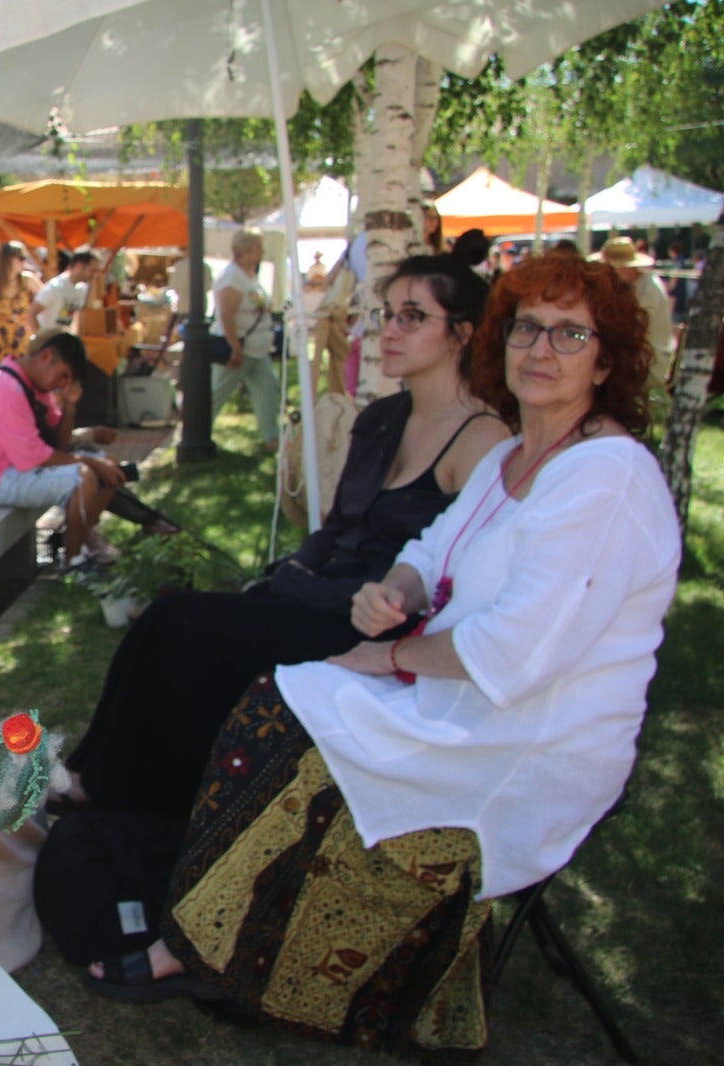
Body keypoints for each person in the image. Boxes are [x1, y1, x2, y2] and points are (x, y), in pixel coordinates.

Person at [85, 251, 680, 1059]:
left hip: (530, 739)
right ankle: (210, 942)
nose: (541, 350)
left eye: (570, 334)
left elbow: (515, 650)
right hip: (464, 697)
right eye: (528, 329)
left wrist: (388, 659)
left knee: (283, 714)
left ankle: (214, 951)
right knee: (274, 703)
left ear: (607, 359)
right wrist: (390, 592)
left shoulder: (605, 475)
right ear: (500, 342)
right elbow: (432, 548)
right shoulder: (517, 457)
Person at [64, 254, 509, 817]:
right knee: (166, 623)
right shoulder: (381, 418)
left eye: (413, 317)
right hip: (316, 597)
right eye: (387, 314)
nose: (389, 330)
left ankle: (114, 796)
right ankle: (101, 783)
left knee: (183, 630)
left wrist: (306, 587)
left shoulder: (480, 438)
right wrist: (294, 573)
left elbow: (456, 572)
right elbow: (339, 527)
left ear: (461, 335)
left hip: (370, 629)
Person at [0, 329, 127, 565]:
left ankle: (81, 541)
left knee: (109, 466)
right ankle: (74, 563)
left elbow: (59, 445)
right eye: (63, 376)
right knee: (85, 477)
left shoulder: (36, 386)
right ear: (46, 357)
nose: (62, 385)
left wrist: (70, 407)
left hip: (19, 470)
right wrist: (91, 462)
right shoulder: (4, 386)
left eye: (68, 382)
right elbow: (32, 456)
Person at [210, 228, 280, 453]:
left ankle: (272, 437)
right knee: (216, 393)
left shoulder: (249, 276)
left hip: (257, 349)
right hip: (238, 349)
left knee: (268, 390)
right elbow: (225, 315)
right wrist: (235, 347)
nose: (261, 252)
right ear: (245, 251)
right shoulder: (232, 278)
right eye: (258, 248)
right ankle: (198, 434)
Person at [596, 235, 673, 391]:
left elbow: (631, 335)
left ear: (626, 267)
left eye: (611, 268)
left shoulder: (648, 290)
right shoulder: (629, 286)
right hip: (630, 359)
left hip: (647, 364)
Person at [0, 241, 42, 377]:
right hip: (0, 340)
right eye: (21, 258)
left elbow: (47, 300)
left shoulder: (27, 279)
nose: (24, 262)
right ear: (9, 259)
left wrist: (36, 325)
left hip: (23, 340)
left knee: (24, 379)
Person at [28, 250, 97, 333]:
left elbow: (75, 315)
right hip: (48, 341)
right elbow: (32, 314)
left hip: (64, 341)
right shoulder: (55, 287)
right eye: (92, 270)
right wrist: (42, 340)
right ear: (79, 266)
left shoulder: (82, 288)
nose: (94, 274)